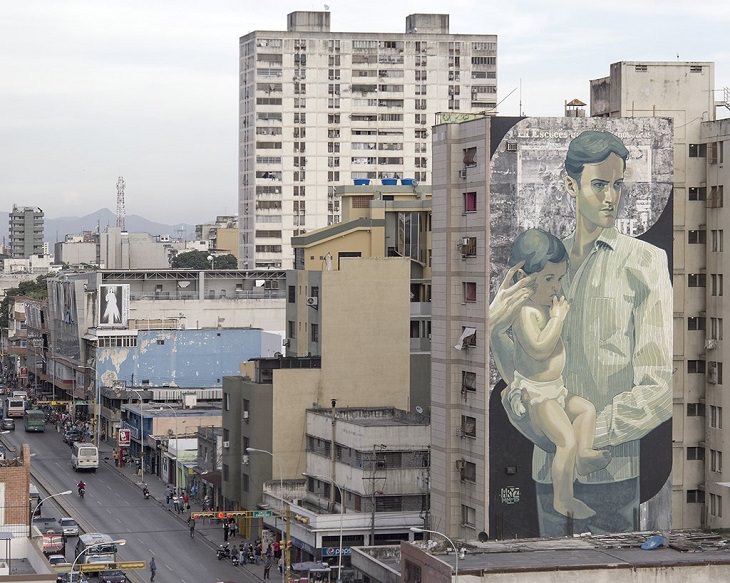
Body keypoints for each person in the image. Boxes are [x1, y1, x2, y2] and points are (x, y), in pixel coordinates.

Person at [492, 130, 672, 535]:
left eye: (618, 185)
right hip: (545, 474)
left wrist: (582, 437)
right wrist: (495, 331)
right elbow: (519, 369)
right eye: (599, 185)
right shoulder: (543, 263)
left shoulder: (645, 262)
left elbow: (661, 387)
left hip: (614, 474)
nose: (611, 197)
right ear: (569, 185)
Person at [503, 228, 610, 519]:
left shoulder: (544, 307)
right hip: (536, 396)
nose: (555, 287)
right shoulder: (526, 312)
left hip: (556, 389)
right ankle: (563, 499)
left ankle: (585, 457)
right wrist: (558, 319)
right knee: (565, 440)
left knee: (586, 409)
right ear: (525, 279)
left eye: (559, 279)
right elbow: (539, 349)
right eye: (548, 279)